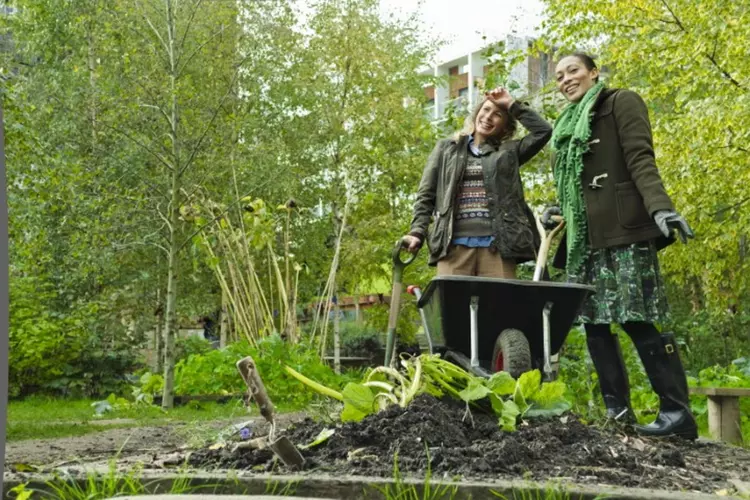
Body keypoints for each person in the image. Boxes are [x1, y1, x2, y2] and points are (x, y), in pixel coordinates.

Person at [543, 53, 697, 439]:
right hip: (584, 239)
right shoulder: (564, 128)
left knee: (635, 317)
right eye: (559, 76)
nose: (566, 80)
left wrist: (661, 209)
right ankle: (618, 411)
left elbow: (641, 159)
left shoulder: (620, 102)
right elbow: (575, 185)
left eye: (573, 70)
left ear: (594, 72)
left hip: (623, 231)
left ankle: (677, 414)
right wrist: (557, 209)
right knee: (594, 324)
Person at [402, 88, 552, 278]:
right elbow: (426, 195)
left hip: (498, 248)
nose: (488, 117)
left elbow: (543, 131)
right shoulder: (447, 149)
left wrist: (512, 104)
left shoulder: (508, 153)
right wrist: (417, 232)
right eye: (486, 110)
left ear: (506, 126)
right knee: (454, 307)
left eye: (498, 114)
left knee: (499, 307)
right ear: (477, 113)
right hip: (452, 247)